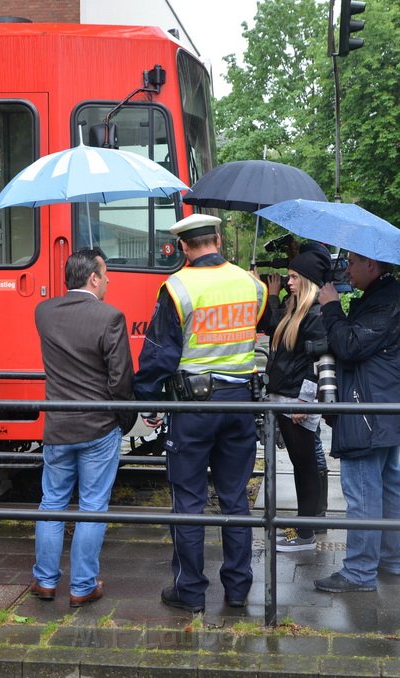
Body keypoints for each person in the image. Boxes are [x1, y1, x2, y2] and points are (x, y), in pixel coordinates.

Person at [134, 213, 267, 614]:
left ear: (183, 247)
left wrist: (147, 400)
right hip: (240, 403)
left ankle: (190, 593)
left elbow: (160, 354)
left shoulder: (177, 287)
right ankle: (239, 589)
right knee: (235, 499)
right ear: (220, 239)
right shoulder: (252, 285)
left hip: (193, 406)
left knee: (188, 502)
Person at [30, 248, 136, 608]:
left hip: (58, 425)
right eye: (105, 275)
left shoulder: (43, 312)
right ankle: (82, 586)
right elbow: (120, 379)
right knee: (92, 506)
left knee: (52, 503)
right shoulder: (110, 317)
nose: (108, 281)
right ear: (93, 277)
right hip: (98, 426)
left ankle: (45, 582)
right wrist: (125, 420)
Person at [312, 251, 400, 593]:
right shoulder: (388, 295)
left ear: (371, 264)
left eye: (352, 263)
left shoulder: (384, 301)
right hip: (385, 409)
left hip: (368, 411)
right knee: (388, 485)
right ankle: (389, 560)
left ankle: (359, 571)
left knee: (362, 491)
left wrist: (330, 306)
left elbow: (349, 345)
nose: (346, 270)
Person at [257, 248, 330, 552]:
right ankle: (306, 530)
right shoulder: (296, 308)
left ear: (308, 280)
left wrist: (306, 400)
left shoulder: (314, 313)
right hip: (287, 398)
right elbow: (273, 330)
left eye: (294, 277)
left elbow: (320, 359)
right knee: (302, 465)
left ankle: (305, 534)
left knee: (305, 467)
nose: (288, 282)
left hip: (297, 402)